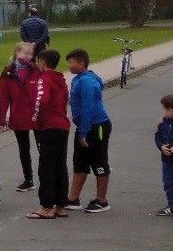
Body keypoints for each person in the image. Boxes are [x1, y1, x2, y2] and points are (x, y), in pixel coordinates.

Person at [27, 48, 71, 220]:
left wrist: (36, 120)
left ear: (42, 62)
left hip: (49, 126)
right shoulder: (61, 80)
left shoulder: (44, 79)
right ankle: (61, 205)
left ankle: (46, 206)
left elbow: (41, 100)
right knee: (60, 166)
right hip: (62, 125)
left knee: (46, 167)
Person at [66, 49, 112, 213]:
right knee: (80, 162)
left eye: (71, 63)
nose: (69, 66)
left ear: (81, 63)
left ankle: (102, 200)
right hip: (83, 126)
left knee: (99, 162)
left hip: (96, 126)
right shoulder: (78, 79)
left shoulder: (88, 82)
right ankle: (72, 198)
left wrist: (84, 132)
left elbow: (87, 108)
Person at [0, 42, 37, 191]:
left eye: (30, 54)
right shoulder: (8, 73)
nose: (28, 57)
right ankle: (28, 179)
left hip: (36, 114)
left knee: (42, 147)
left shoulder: (35, 70)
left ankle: (47, 176)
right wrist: (2, 119)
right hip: (19, 114)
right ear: (16, 53)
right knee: (23, 148)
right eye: (25, 53)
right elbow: (3, 97)